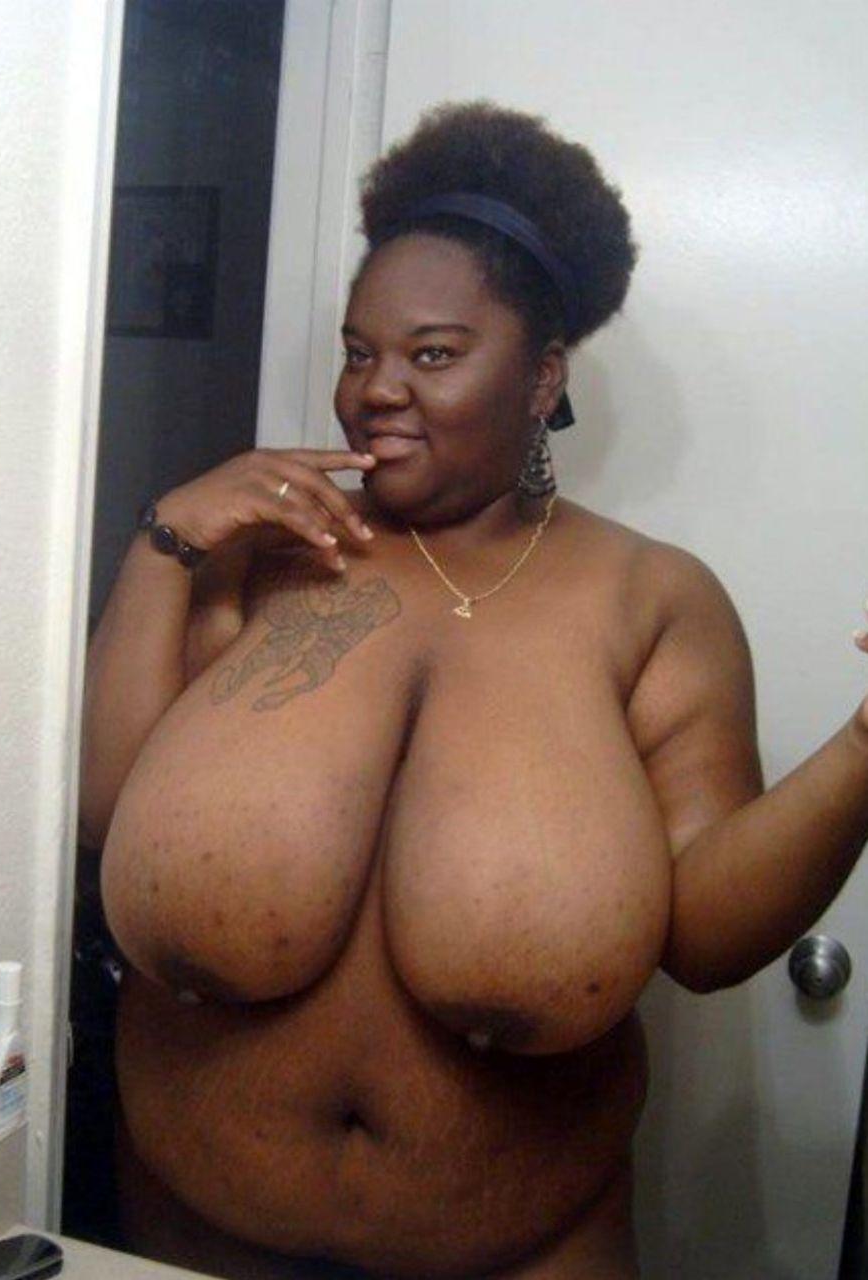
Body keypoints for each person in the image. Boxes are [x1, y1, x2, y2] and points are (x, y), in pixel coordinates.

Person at [79, 101, 868, 1279]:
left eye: (433, 354)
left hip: (526, 1253)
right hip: (189, 1239)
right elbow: (107, 818)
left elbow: (706, 936)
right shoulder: (263, 552)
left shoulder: (652, 598)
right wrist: (163, 545)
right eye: (359, 351)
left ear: (543, 376)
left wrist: (865, 745)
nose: (376, 389)